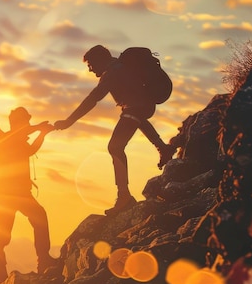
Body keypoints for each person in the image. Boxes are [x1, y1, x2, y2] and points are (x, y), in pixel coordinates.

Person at [54, 45, 176, 216]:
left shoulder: (112, 73)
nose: (90, 69)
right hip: (139, 108)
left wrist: (69, 121)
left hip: (136, 108)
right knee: (133, 120)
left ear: (99, 59)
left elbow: (93, 99)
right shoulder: (119, 68)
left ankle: (124, 196)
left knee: (115, 147)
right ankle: (163, 148)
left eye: (90, 64)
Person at [0, 107, 57, 284]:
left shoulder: (13, 139)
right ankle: (41, 262)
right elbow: (25, 135)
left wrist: (42, 134)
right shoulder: (9, 137)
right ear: (19, 123)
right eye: (26, 120)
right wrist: (39, 128)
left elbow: (30, 151)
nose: (27, 123)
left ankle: (41, 262)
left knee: (1, 238)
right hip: (11, 195)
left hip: (7, 195)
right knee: (3, 238)